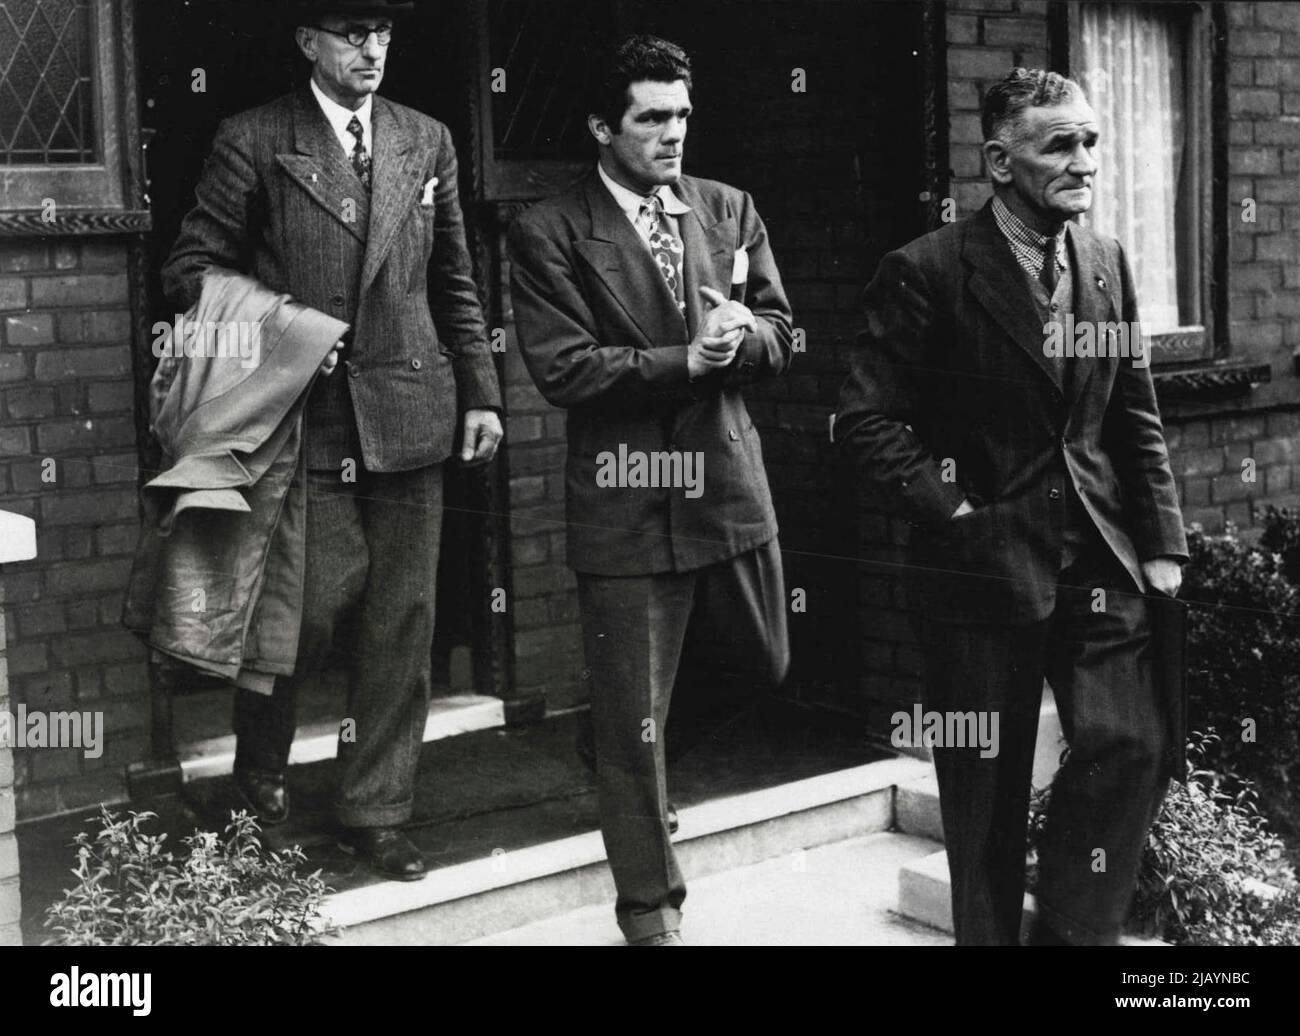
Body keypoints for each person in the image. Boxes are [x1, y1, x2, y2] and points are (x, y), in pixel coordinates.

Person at [836, 68, 1187, 946]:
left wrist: (1162, 541)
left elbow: (1132, 414)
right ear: (998, 161)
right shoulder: (927, 272)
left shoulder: (1104, 264)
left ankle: (1072, 935)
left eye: (1092, 141)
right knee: (986, 795)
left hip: (1100, 556)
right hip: (982, 568)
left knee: (1130, 744)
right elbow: (866, 421)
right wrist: (956, 512)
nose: (1085, 162)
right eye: (1059, 144)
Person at [161, 0, 503, 881]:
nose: (371, 48)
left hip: (410, 416)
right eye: (351, 32)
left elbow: (455, 279)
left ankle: (377, 811)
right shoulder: (255, 136)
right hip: (299, 422)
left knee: (402, 622)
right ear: (308, 40)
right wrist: (293, 327)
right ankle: (261, 789)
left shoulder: (425, 139)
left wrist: (481, 394)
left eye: (382, 32)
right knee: (292, 623)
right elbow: (190, 270)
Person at [507, 35, 794, 945]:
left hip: (728, 481)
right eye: (652, 118)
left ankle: (625, 758)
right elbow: (566, 370)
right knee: (635, 722)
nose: (674, 134)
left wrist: (745, 341)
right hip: (628, 496)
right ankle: (649, 907)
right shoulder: (549, 228)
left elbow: (784, 332)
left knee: (764, 664)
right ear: (603, 127)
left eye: (682, 116)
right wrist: (689, 359)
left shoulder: (727, 208)